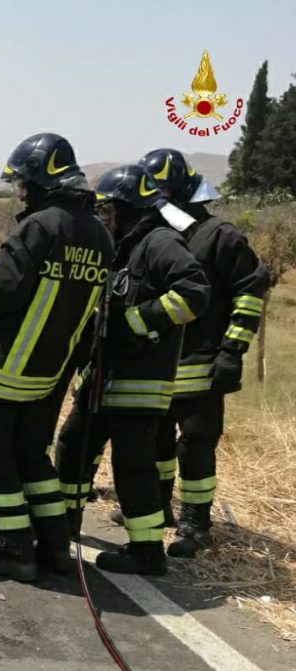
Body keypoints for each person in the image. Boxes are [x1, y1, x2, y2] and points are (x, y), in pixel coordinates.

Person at [0, 133, 114, 582]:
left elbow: (4, 289)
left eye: (23, 183)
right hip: (45, 374)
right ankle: (57, 550)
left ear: (44, 181)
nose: (20, 192)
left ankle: (15, 553)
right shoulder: (99, 234)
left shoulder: (41, 226)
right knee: (33, 457)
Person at [56, 165, 211, 575]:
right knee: (72, 446)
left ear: (128, 207)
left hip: (139, 381)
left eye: (108, 208)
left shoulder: (159, 243)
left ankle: (146, 553)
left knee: (132, 466)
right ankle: (63, 527)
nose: (103, 216)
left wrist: (136, 323)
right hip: (104, 377)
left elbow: (195, 293)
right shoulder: (121, 246)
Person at [138, 148, 270, 557]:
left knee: (195, 444)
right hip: (158, 365)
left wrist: (232, 351)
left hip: (203, 363)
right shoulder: (156, 236)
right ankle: (158, 507)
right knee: (155, 440)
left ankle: (196, 524)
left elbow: (251, 292)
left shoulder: (221, 236)